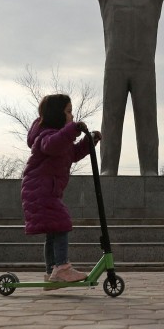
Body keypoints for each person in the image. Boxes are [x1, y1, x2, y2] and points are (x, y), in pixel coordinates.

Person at [92, 0, 164, 176]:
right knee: (111, 120)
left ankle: (149, 170)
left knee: (147, 120)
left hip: (144, 68)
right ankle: (107, 169)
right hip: (115, 67)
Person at [20, 94, 102, 285]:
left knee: (53, 229)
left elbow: (71, 154)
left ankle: (52, 272)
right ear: (57, 115)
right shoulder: (45, 136)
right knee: (61, 221)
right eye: (68, 112)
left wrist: (89, 142)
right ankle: (62, 268)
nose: (72, 116)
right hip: (40, 191)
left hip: (44, 191)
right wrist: (72, 130)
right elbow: (53, 145)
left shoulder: (59, 140)